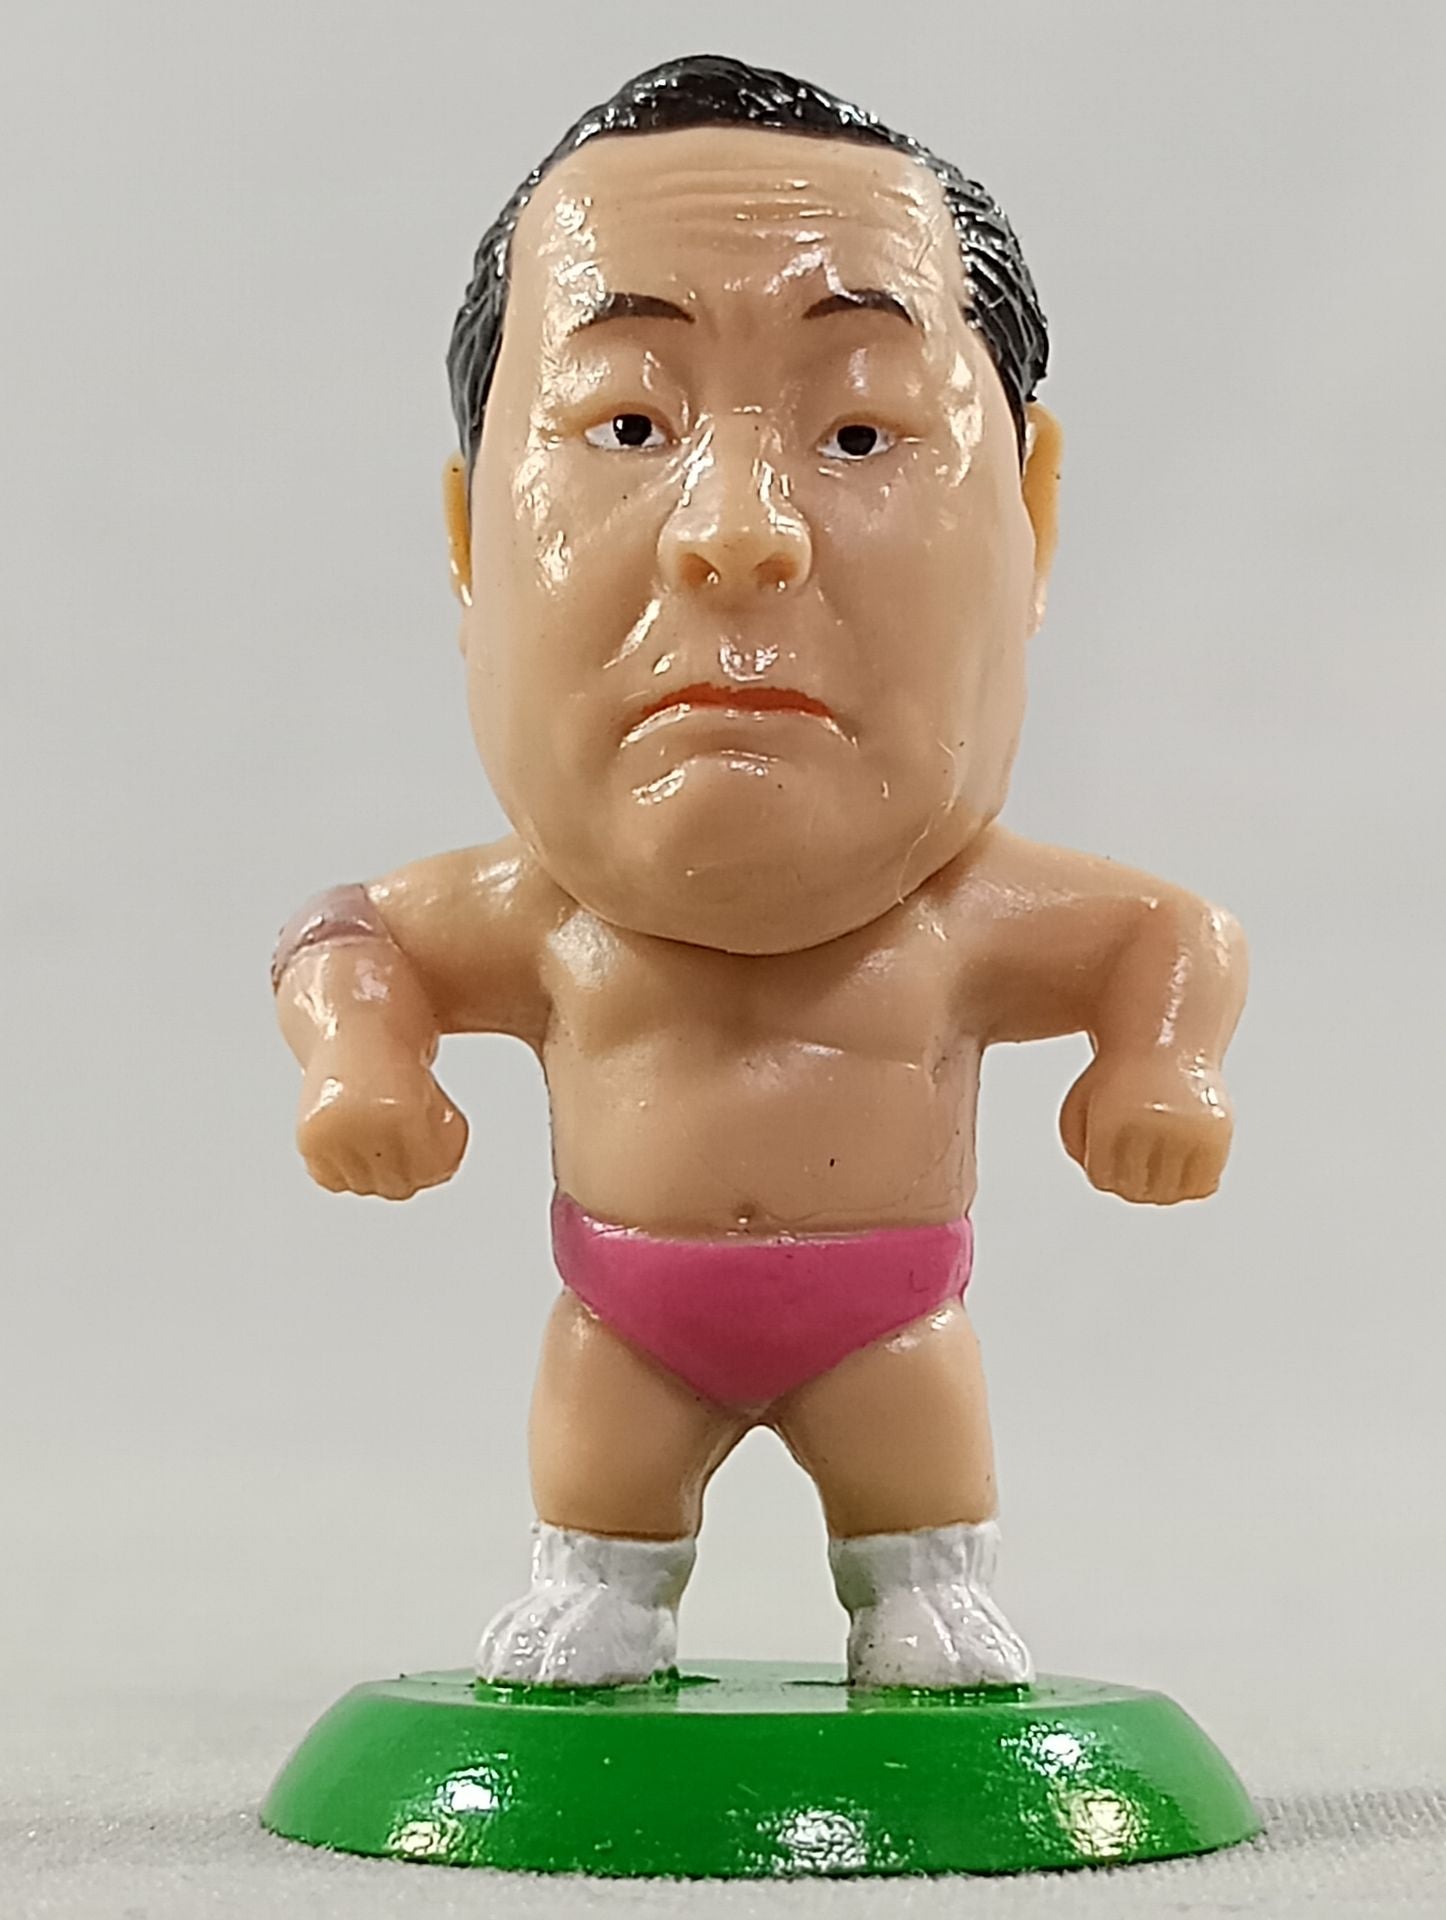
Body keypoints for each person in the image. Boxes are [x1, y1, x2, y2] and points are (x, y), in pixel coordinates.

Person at [272, 55, 1247, 1691]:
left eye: (859, 428)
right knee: (598, 1497)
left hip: (893, 1321)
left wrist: (1169, 1061)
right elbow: (346, 937)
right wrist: (354, 1055)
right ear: (467, 539)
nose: (735, 530)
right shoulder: (544, 919)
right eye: (626, 423)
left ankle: (919, 1592)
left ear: (1028, 517)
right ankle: (603, 1593)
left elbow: (1173, 936)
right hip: (622, 1317)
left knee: (919, 1510)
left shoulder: (967, 919)